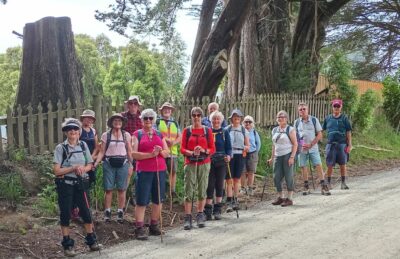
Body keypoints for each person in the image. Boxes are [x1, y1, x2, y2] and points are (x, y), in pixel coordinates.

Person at [53, 118, 100, 257]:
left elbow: (90, 164)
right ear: (66, 132)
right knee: (66, 213)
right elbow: (56, 171)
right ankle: (67, 245)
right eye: (69, 129)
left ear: (79, 131)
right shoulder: (61, 148)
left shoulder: (84, 145)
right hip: (65, 185)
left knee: (86, 211)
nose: (72, 131)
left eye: (75, 128)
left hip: (82, 183)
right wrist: (73, 168)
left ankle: (91, 241)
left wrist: (83, 170)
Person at [131, 109, 169, 240]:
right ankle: (139, 228)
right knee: (142, 200)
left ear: (154, 120)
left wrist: (160, 152)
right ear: (141, 120)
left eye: (151, 118)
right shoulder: (137, 134)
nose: (148, 120)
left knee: (158, 199)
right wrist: (150, 155)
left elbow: (167, 152)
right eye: (145, 118)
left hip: (160, 170)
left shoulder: (159, 133)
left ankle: (154, 225)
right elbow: (133, 154)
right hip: (144, 171)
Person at [94, 113, 133, 223]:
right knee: (108, 189)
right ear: (111, 123)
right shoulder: (106, 135)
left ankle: (120, 212)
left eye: (119, 121)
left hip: (123, 163)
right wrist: (96, 162)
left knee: (122, 188)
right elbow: (102, 151)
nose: (117, 122)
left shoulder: (126, 135)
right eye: (115, 120)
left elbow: (129, 151)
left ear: (122, 123)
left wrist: (132, 164)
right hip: (109, 163)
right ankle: (107, 212)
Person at [180, 107, 215, 230]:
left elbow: (212, 148)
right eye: (194, 115)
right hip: (190, 163)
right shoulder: (187, 131)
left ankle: (200, 214)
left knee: (202, 189)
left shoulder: (207, 131)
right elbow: (182, 149)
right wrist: (191, 152)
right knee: (189, 190)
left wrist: (203, 150)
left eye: (198, 115)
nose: (196, 117)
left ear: (201, 116)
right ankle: (188, 217)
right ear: (191, 116)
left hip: (204, 163)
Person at [295, 103, 331, 196]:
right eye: (300, 109)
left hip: (313, 147)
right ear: (298, 111)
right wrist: (302, 144)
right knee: (303, 166)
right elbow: (296, 136)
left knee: (318, 165)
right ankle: (306, 186)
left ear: (308, 110)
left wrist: (311, 144)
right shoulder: (297, 122)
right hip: (302, 148)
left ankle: (323, 186)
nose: (302, 111)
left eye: (304, 109)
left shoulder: (314, 120)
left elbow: (319, 134)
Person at [205, 111, 232, 220]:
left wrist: (229, 156)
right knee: (210, 185)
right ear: (210, 121)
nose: (216, 121)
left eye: (218, 119)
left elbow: (229, 148)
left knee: (220, 185)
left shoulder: (224, 132)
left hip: (222, 161)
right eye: (214, 119)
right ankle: (207, 209)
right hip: (209, 160)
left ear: (221, 121)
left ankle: (217, 210)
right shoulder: (207, 132)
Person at [268, 110, 297, 207]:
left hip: (287, 154)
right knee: (276, 177)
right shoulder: (274, 130)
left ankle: (289, 198)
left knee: (289, 176)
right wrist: (272, 158)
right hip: (277, 155)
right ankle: (280, 197)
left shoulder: (290, 129)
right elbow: (274, 145)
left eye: (283, 116)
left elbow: (295, 144)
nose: (280, 118)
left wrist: (292, 157)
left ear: (286, 119)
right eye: (278, 117)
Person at [322, 99, 352, 190]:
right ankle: (328, 183)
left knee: (343, 164)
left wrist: (349, 144)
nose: (336, 108)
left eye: (338, 106)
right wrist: (321, 140)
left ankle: (343, 183)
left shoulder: (344, 118)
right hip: (330, 144)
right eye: (334, 106)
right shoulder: (328, 118)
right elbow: (322, 131)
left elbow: (348, 132)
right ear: (332, 107)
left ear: (341, 107)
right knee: (330, 165)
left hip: (342, 144)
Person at [156, 102, 182, 200]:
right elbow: (156, 134)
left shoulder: (175, 122)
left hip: (173, 152)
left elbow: (180, 136)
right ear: (162, 111)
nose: (167, 110)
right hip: (162, 152)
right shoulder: (157, 122)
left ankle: (172, 191)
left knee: (173, 171)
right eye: (165, 109)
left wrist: (174, 142)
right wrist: (166, 140)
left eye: (169, 109)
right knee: (161, 172)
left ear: (171, 111)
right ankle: (161, 192)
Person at [225, 109, 250, 212]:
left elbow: (248, 145)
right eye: (234, 116)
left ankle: (235, 200)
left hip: (239, 155)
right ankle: (229, 201)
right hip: (230, 156)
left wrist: (246, 148)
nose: (236, 118)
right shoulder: (227, 129)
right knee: (228, 179)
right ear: (231, 118)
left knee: (236, 179)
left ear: (240, 119)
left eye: (238, 117)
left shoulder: (244, 130)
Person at [122, 95, 143, 205]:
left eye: (135, 103)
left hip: (140, 150)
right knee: (128, 173)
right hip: (125, 150)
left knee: (138, 173)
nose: (133, 105)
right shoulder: (122, 117)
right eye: (131, 103)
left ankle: (134, 195)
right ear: (128, 105)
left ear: (138, 105)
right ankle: (123, 199)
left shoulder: (143, 118)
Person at [240, 115, 261, 196]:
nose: (247, 123)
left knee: (251, 171)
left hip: (252, 153)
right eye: (246, 122)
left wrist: (254, 152)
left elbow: (258, 144)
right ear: (243, 123)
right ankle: (242, 188)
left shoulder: (254, 132)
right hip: (242, 154)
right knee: (242, 171)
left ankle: (250, 188)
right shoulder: (241, 131)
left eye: (249, 122)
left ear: (252, 124)